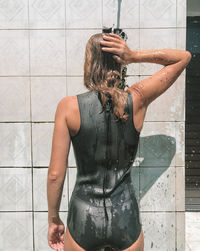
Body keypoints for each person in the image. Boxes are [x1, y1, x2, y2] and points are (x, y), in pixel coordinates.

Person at [47, 31, 191, 251]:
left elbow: (56, 175)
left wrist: (53, 218)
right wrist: (134, 56)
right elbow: (183, 57)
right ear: (119, 63)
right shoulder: (138, 98)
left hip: (83, 215)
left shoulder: (68, 107)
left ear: (89, 63)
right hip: (125, 215)